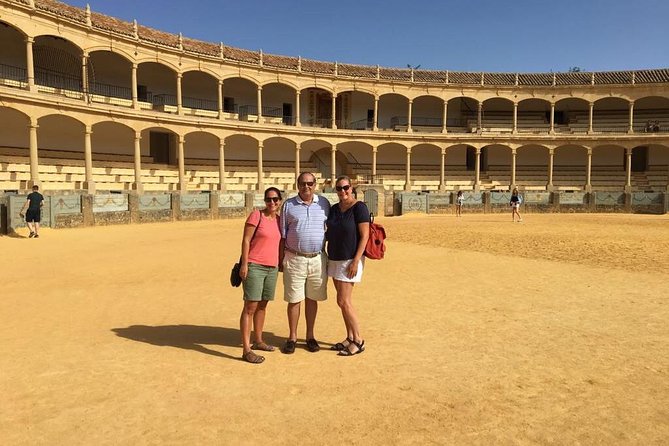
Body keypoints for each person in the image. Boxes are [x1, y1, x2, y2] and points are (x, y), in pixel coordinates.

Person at [279, 172, 329, 354]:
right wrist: (280, 260)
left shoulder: (324, 203)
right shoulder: (288, 206)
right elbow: (282, 235)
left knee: (312, 298)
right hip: (294, 257)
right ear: (297, 185)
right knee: (294, 299)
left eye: (309, 183)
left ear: (315, 184)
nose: (306, 187)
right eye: (302, 183)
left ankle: (309, 335)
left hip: (317, 258)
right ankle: (292, 336)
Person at [326, 176, 370, 356]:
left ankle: (358, 340)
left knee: (344, 301)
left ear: (351, 188)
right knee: (341, 301)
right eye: (339, 188)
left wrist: (355, 261)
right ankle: (350, 336)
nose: (342, 191)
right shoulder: (335, 209)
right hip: (335, 258)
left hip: (350, 259)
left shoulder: (359, 208)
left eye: (345, 187)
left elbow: (365, 236)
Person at [238, 187, 283, 364]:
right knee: (250, 306)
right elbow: (246, 239)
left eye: (275, 199)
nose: (272, 203)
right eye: (268, 199)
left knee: (263, 305)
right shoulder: (256, 216)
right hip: (255, 265)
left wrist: (280, 263)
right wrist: (244, 264)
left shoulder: (279, 220)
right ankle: (246, 349)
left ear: (280, 200)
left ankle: (258, 340)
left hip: (272, 267)